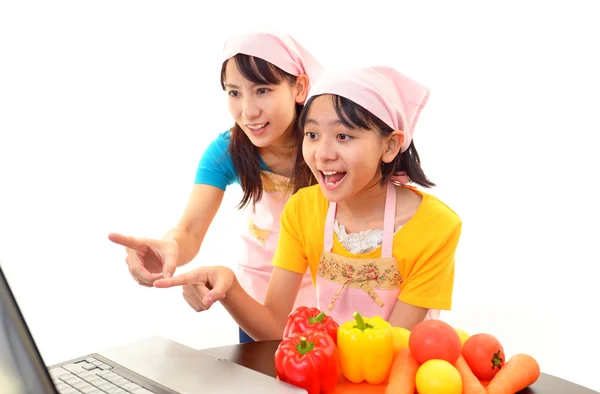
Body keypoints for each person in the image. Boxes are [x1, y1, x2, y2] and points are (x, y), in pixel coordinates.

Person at [153, 65, 463, 341]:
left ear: (390, 144)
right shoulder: (303, 210)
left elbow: (393, 347)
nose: (322, 154)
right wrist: (229, 287)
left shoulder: (435, 226)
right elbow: (275, 328)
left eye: (343, 136)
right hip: (324, 379)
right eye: (312, 134)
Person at [107, 31, 325, 344]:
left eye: (262, 90)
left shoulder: (328, 150)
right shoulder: (228, 151)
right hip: (257, 302)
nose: (248, 111)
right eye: (234, 93)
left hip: (330, 293)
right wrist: (169, 247)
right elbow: (190, 230)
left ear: (299, 88)